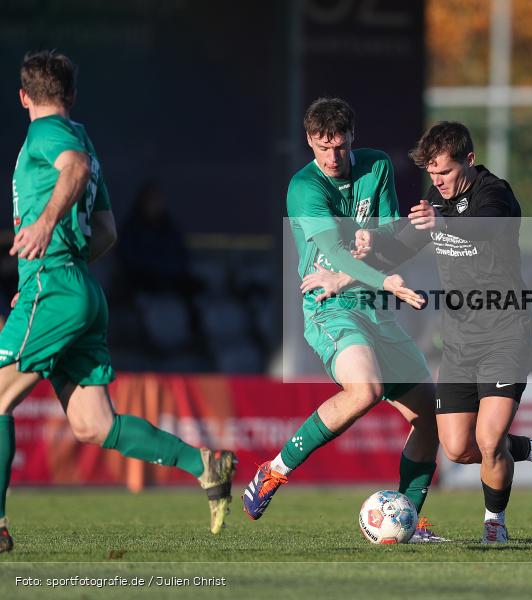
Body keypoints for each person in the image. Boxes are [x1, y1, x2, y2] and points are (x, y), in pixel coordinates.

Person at [0, 51, 236, 554]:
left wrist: (45, 235)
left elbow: (75, 167)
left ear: (23, 97)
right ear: (72, 94)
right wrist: (61, 263)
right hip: (78, 288)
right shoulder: (83, 137)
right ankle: (204, 464)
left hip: (56, 286)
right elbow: (105, 231)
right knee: (94, 424)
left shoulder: (47, 135)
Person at [347, 121, 532, 544]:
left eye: (445, 172)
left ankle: (494, 523)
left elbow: (485, 228)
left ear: (469, 159)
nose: (439, 181)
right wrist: (360, 260)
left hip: (505, 334)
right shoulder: (437, 201)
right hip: (460, 342)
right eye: (432, 174)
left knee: (489, 439)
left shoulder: (495, 193)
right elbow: (404, 245)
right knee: (458, 448)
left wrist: (440, 221)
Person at [241, 97, 445, 542]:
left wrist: (375, 236)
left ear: (353, 137)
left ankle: (408, 517)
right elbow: (333, 253)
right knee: (365, 389)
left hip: (373, 306)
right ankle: (273, 471)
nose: (332, 157)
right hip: (328, 304)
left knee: (430, 418)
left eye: (340, 146)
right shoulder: (304, 187)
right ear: (309, 141)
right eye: (322, 147)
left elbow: (390, 226)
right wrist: (386, 280)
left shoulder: (377, 165)